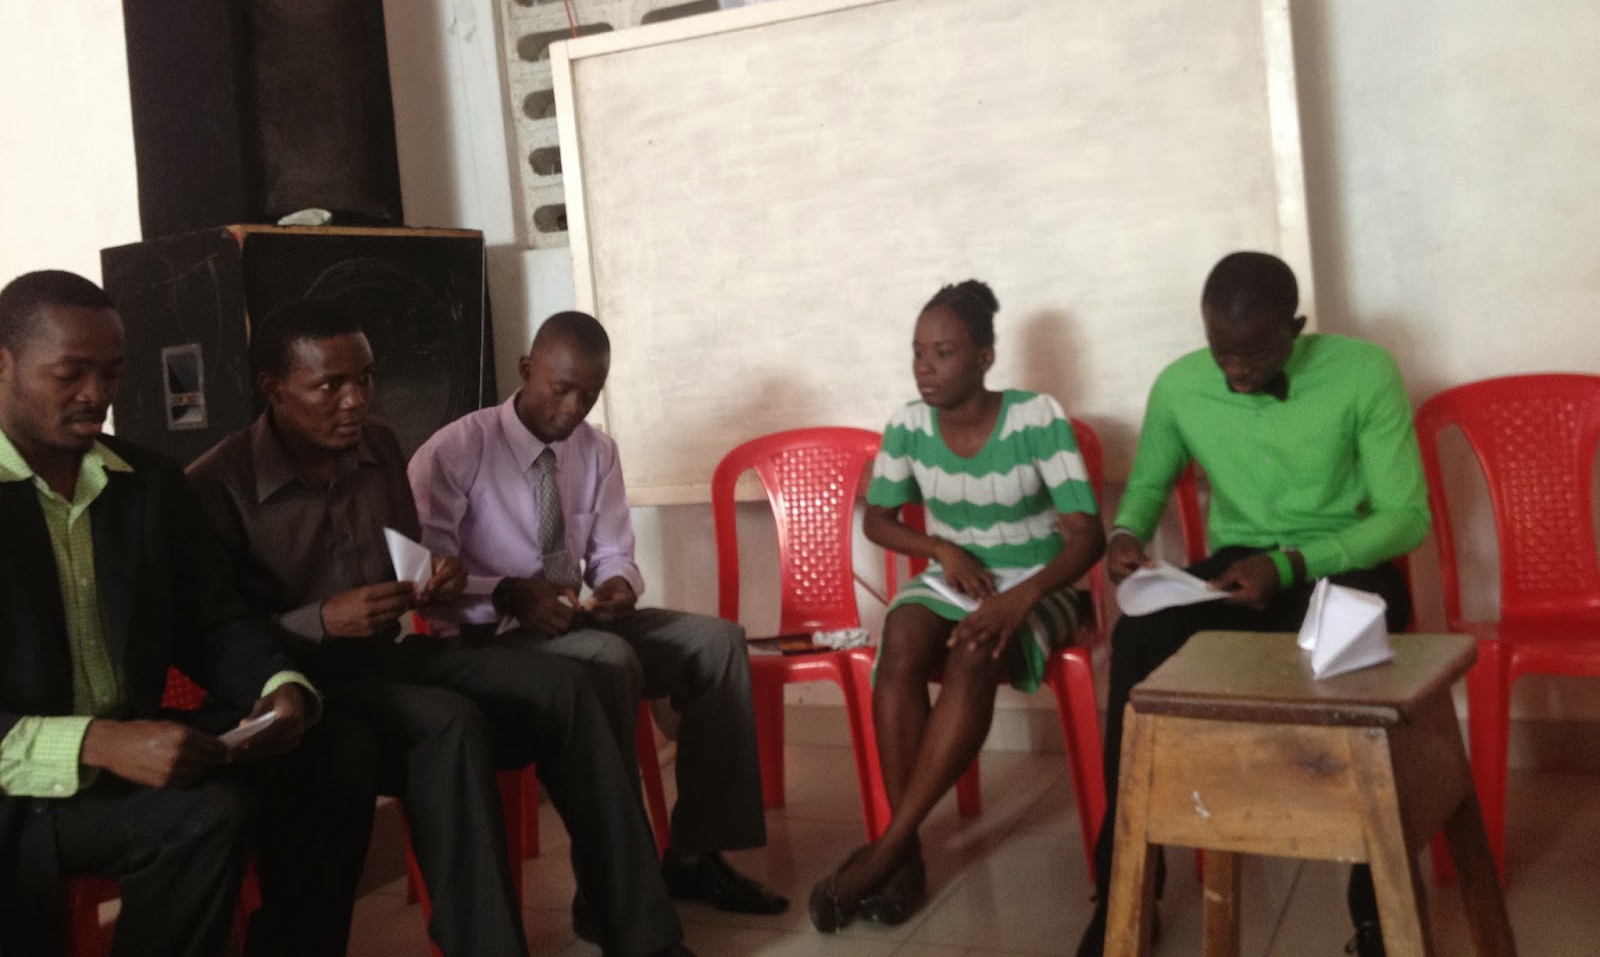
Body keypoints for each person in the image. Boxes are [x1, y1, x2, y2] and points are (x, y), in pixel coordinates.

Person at [186, 298, 692, 957]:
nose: (355, 400)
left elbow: (410, 558)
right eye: (330, 385)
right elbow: (212, 634)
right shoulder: (216, 486)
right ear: (273, 388)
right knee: (449, 722)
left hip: (387, 658)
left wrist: (437, 577)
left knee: (571, 684)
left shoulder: (378, 445)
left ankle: (642, 936)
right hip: (301, 678)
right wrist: (321, 620)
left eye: (365, 378)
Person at [0, 270, 376, 957]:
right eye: (70, 374)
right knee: (205, 814)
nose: (97, 395)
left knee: (336, 752)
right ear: (3, 363)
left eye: (112, 373)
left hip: (133, 745)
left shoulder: (145, 483)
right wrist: (97, 743)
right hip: (19, 782)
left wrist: (275, 684)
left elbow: (210, 618)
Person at [1075, 252, 1429, 957]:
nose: (1237, 370)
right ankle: (1127, 888)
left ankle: (1376, 915)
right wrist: (1125, 535)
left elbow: (1405, 517)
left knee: (1355, 669)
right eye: (1223, 352)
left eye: (1258, 353)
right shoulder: (1180, 385)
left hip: (1342, 563)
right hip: (1240, 570)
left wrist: (1293, 563)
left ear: (1296, 328)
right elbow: (1147, 485)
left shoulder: (1364, 371)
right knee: (1139, 642)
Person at [407, 311, 788, 922]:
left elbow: (612, 552)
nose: (574, 408)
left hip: (574, 619)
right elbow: (424, 580)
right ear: (526, 369)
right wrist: (508, 593)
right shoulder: (455, 451)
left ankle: (694, 855)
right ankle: (609, 885)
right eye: (562, 389)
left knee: (717, 643)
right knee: (609, 659)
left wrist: (617, 584)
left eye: (590, 394)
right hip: (487, 637)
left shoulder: (596, 451)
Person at [809, 280, 1105, 932]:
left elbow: (1088, 538)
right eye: (918, 352)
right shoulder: (909, 425)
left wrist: (1019, 599)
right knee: (901, 639)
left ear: (984, 357)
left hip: (1041, 583)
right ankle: (906, 854)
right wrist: (941, 548)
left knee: (974, 650)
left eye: (943, 353)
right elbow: (879, 520)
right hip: (953, 579)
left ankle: (889, 848)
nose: (925, 367)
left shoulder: (1036, 418)